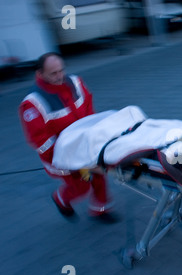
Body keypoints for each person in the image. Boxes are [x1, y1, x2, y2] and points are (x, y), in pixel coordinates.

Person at [18, 52, 117, 223]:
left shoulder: (76, 83)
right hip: (61, 156)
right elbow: (40, 141)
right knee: (81, 185)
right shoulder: (32, 103)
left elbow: (88, 110)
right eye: (53, 73)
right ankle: (61, 199)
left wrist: (94, 135)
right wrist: (65, 158)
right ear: (40, 74)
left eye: (61, 71)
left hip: (84, 145)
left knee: (99, 174)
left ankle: (100, 209)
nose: (60, 76)